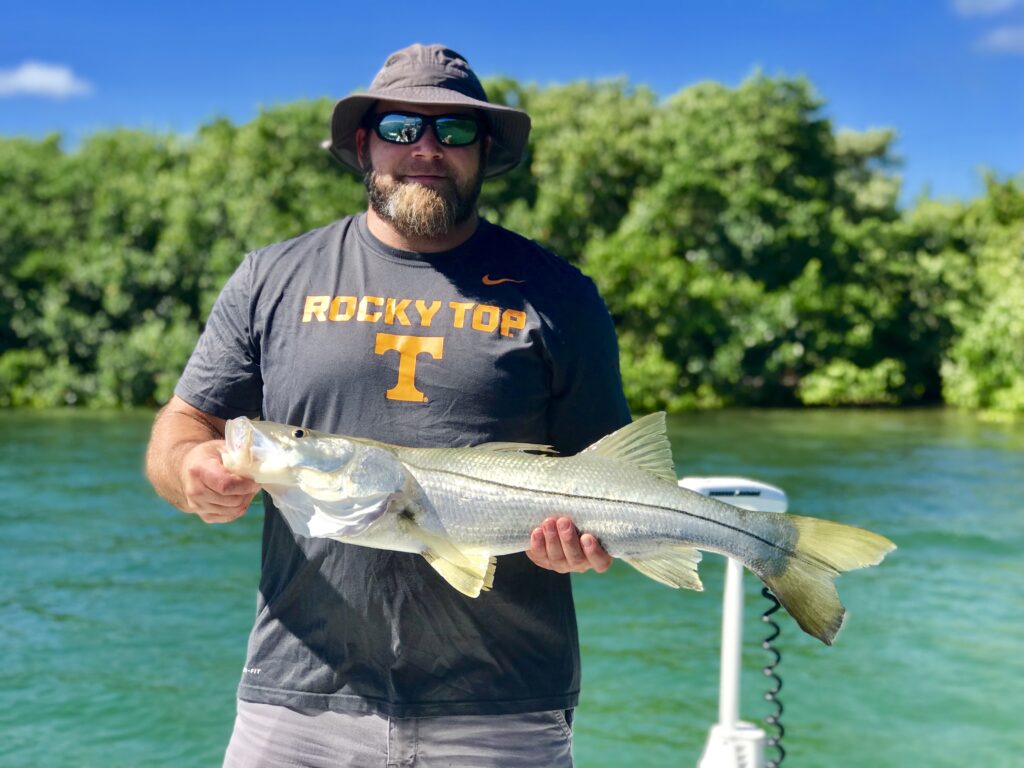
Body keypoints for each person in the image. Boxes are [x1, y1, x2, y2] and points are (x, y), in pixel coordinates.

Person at [146, 43, 631, 768]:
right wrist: (189, 470)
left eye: (455, 130)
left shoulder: (560, 295)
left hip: (504, 709)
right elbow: (186, 424)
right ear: (364, 143)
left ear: (484, 149)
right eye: (402, 127)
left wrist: (593, 543)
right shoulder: (271, 277)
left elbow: (614, 480)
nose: (427, 148)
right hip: (296, 702)